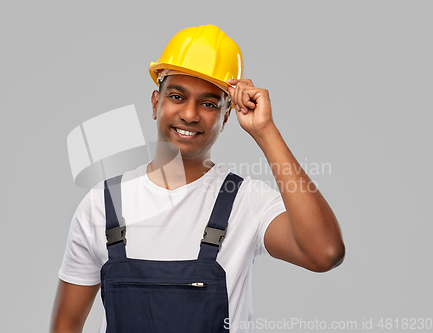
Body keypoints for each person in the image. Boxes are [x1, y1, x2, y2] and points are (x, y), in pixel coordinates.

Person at [50, 25, 345, 333]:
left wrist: (265, 131)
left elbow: (325, 252)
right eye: (177, 96)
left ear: (227, 115)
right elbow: (66, 324)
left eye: (208, 103)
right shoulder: (103, 204)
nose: (190, 114)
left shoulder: (246, 201)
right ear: (156, 102)